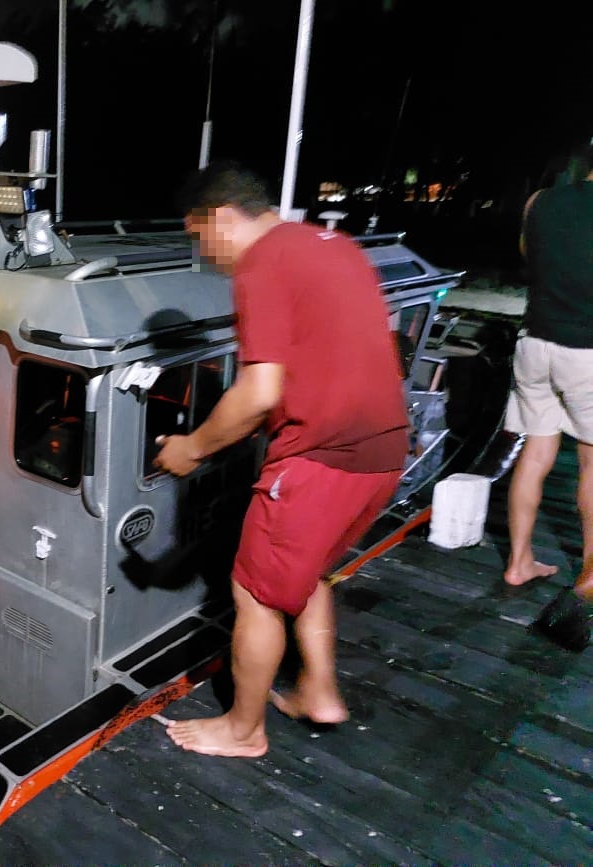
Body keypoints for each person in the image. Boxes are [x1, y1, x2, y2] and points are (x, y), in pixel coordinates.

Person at [154, 162, 408, 757]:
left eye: (197, 237)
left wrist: (191, 448)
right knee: (305, 570)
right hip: (385, 447)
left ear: (221, 219)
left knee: (255, 594)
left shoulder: (262, 262)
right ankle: (318, 690)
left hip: (321, 457)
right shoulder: (333, 243)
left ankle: (243, 731)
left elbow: (260, 391)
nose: (203, 253)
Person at [502, 139, 593, 651]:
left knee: (536, 453)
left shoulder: (540, 202)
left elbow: (529, 258)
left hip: (535, 343)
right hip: (587, 351)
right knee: (591, 466)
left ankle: (518, 562)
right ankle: (589, 578)